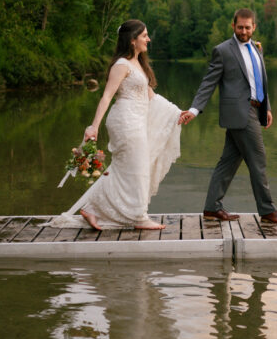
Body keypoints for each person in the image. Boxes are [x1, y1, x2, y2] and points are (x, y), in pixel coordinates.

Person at [48, 20, 183, 231]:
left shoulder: (139, 63)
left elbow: (151, 96)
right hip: (125, 120)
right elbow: (107, 96)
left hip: (138, 119)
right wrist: (93, 127)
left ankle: (92, 209)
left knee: (127, 168)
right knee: (137, 167)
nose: (148, 39)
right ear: (132, 41)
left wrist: (176, 113)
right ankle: (138, 217)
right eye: (144, 35)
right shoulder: (121, 65)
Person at [179, 9, 277, 225]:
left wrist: (266, 107)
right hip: (239, 113)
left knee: (229, 161)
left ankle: (212, 207)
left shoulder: (257, 48)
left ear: (254, 27)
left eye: (247, 27)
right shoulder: (223, 51)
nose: (243, 31)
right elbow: (208, 82)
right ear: (233, 26)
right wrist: (195, 109)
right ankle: (268, 210)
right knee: (258, 159)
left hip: (254, 109)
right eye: (240, 27)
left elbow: (260, 80)